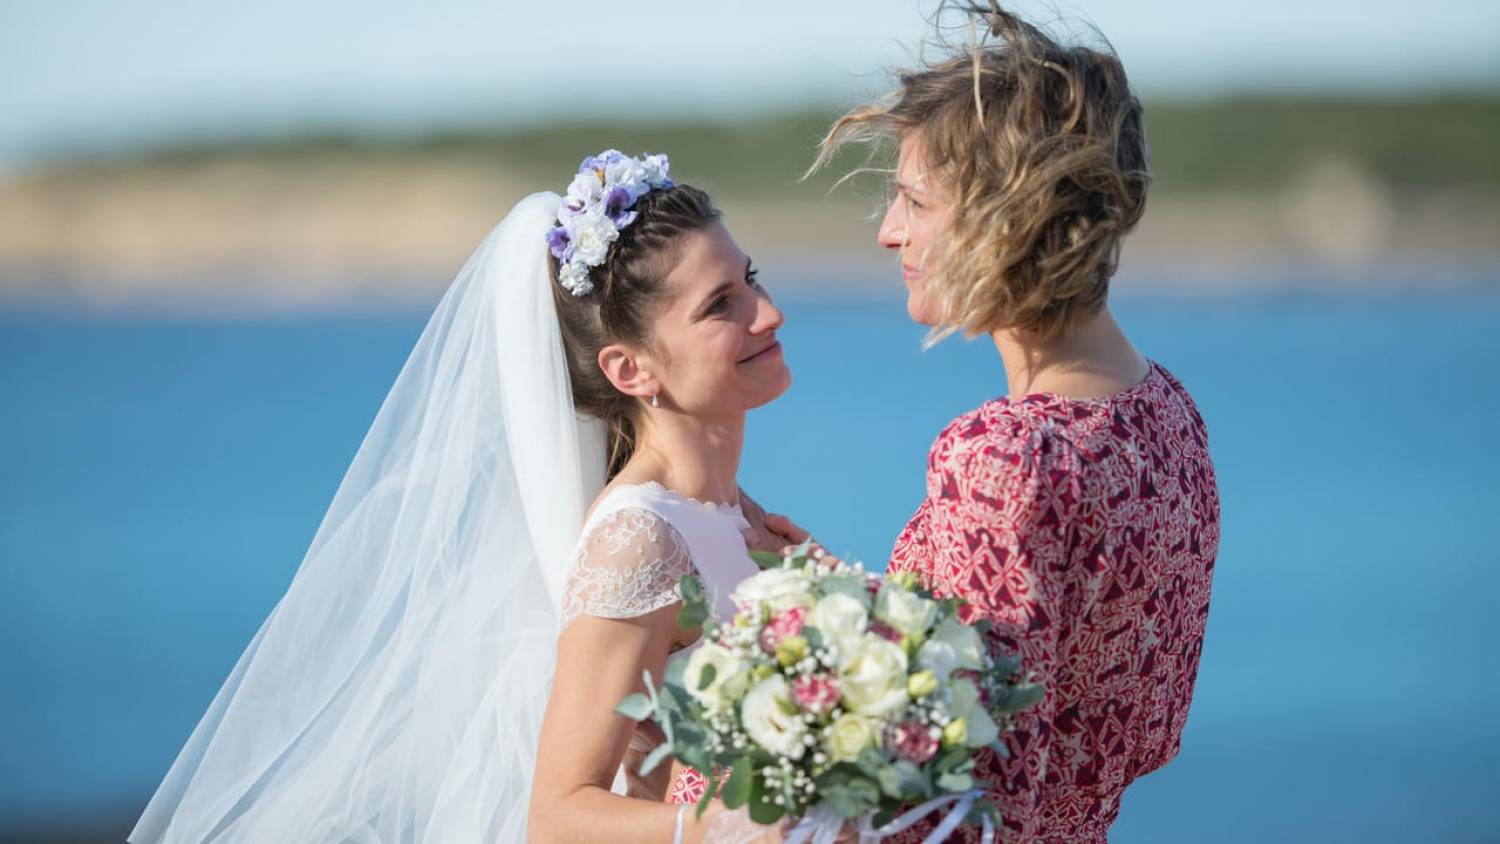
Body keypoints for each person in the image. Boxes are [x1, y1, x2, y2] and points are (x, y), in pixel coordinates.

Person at [128, 150, 794, 843]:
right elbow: (559, 816)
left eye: (750, 280)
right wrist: (733, 826)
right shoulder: (640, 540)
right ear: (630, 369)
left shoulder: (736, 516)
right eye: (721, 305)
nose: (769, 313)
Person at [671, 5, 1221, 842]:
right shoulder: (1168, 415)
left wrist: (704, 768)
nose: (889, 232)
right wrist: (854, 608)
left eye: (915, 200)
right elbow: (1085, 684)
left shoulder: (1003, 456)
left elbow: (965, 813)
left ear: (1006, 217)